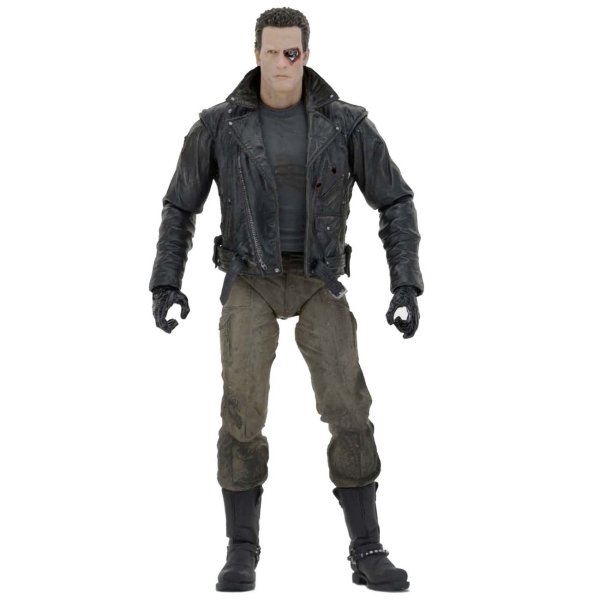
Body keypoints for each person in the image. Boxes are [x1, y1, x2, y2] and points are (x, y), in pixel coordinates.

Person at [149, 7, 423, 593]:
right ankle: (241, 548)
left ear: (307, 55)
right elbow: (180, 205)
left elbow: (394, 201)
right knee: (242, 409)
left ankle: (367, 547)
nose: (281, 63)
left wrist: (405, 282)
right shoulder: (219, 125)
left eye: (291, 52)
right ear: (255, 54)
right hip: (249, 276)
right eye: (271, 51)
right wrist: (166, 281)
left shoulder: (346, 123)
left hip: (320, 278)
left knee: (348, 405)